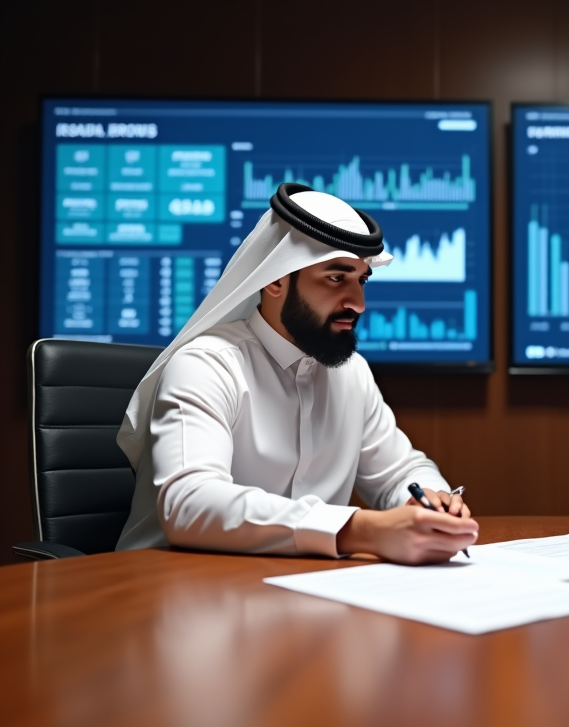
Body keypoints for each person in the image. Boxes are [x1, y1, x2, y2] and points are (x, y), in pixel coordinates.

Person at [116, 183, 478, 563]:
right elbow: (190, 504)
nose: (358, 303)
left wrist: (431, 503)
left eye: (361, 280)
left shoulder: (351, 373)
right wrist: (359, 529)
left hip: (300, 594)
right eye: (336, 278)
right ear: (275, 279)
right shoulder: (207, 364)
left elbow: (399, 471)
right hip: (173, 590)